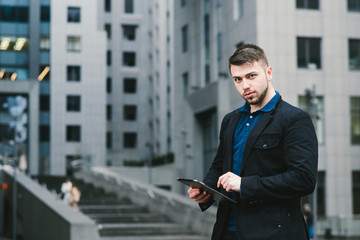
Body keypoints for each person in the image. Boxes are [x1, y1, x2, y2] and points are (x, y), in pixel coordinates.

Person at [187, 44, 318, 240]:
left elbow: (303, 179)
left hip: (273, 233)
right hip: (227, 231)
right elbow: (219, 166)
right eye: (237, 79)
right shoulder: (230, 120)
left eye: (251, 76)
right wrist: (206, 189)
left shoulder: (294, 119)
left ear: (269, 72)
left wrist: (244, 184)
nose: (245, 85)